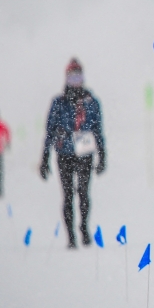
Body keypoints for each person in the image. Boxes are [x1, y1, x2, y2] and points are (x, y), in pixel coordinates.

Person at [39, 59, 107, 249]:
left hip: (85, 153)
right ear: (66, 78)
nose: (75, 80)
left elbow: (98, 131)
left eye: (78, 76)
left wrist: (102, 155)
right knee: (68, 195)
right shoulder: (59, 103)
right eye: (72, 76)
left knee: (84, 193)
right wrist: (44, 159)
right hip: (65, 152)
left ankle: (83, 228)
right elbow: (50, 131)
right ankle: (70, 236)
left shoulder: (91, 102)